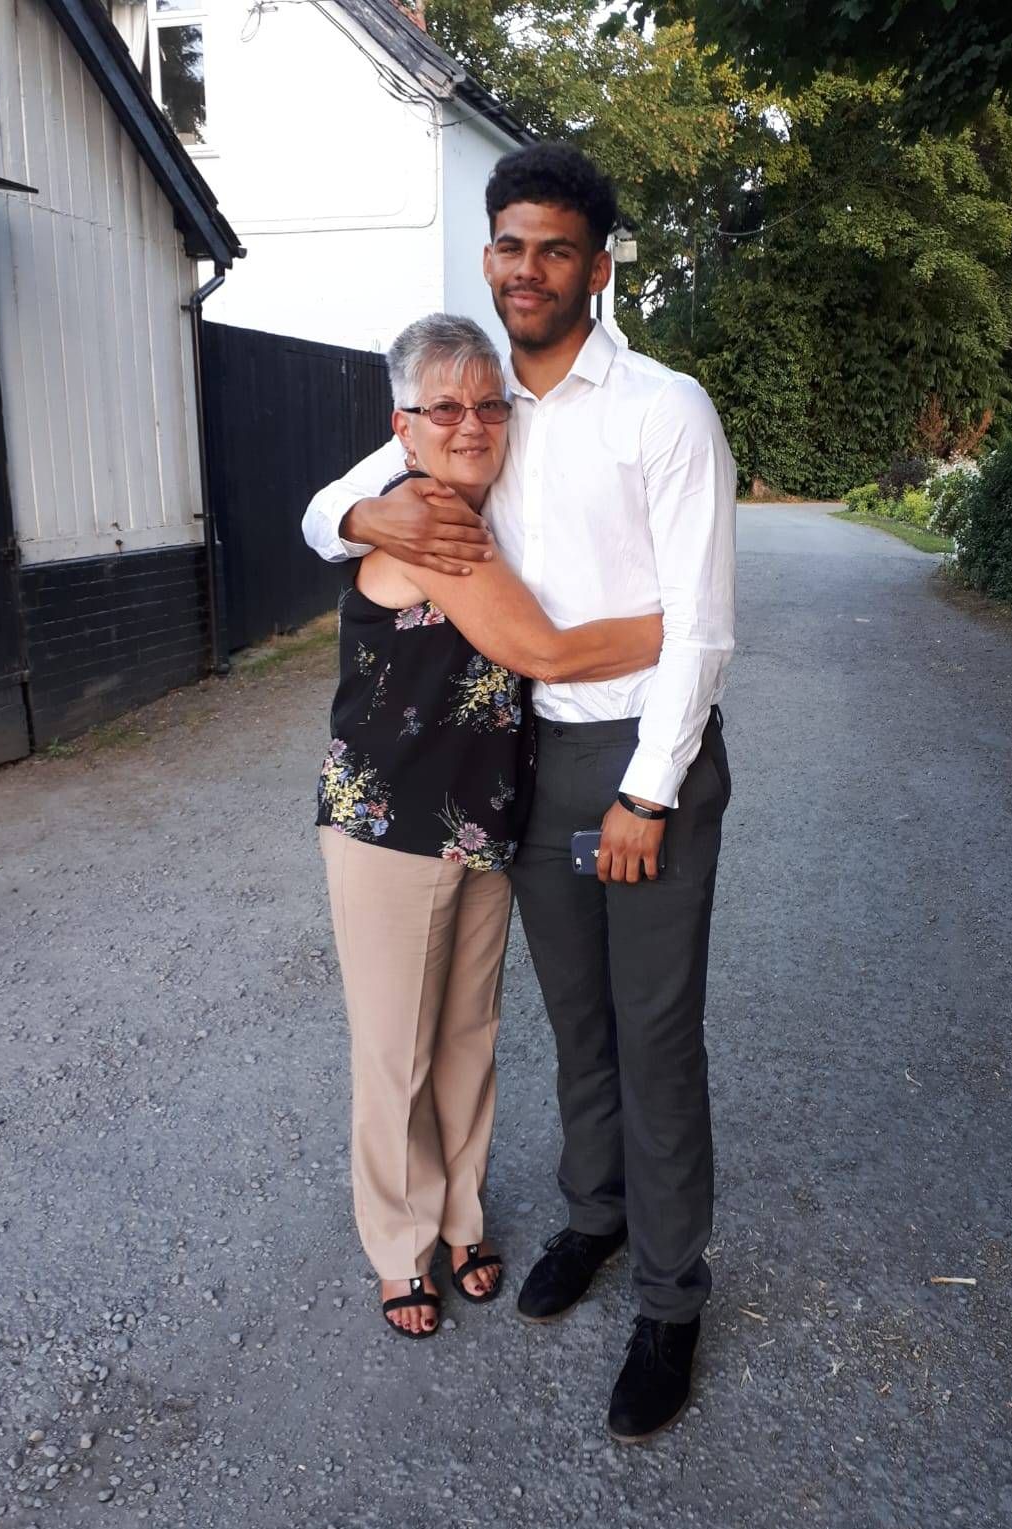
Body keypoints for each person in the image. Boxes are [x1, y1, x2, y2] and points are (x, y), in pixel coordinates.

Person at [304, 143, 736, 1440]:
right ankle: (596, 1221)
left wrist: (648, 796)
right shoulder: (480, 400)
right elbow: (341, 497)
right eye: (510, 244)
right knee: (577, 1026)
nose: (528, 268)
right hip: (527, 772)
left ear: (599, 267)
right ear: (488, 257)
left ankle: (671, 1298)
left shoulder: (663, 408)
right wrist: (363, 519)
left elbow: (703, 631)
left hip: (636, 765)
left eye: (556, 248)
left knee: (655, 1042)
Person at [315, 311, 664, 1340]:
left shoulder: (486, 498)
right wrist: (679, 621)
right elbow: (543, 650)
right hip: (388, 827)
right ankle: (398, 1241)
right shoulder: (423, 518)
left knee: (468, 1036)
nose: (469, 423)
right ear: (405, 426)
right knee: (396, 1050)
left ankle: (461, 1213)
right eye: (444, 408)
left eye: (486, 404)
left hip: (482, 824)